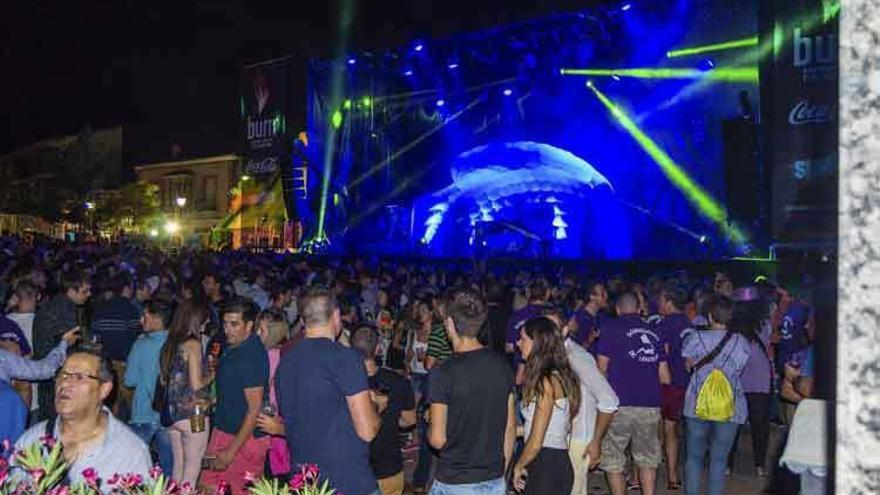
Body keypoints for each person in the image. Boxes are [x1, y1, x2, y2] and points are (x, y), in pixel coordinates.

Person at [276, 286, 384, 495]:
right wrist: (377, 406)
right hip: (347, 481)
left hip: (304, 481)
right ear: (336, 316)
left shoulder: (286, 361)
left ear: (302, 321)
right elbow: (368, 430)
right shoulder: (345, 358)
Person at [14, 346, 152, 488]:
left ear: (104, 389)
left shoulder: (130, 453)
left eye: (80, 377)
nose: (65, 383)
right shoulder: (31, 441)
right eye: (62, 375)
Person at [427, 286, 516, 495]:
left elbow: (437, 440)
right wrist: (500, 474)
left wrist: (431, 423)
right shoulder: (502, 365)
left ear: (449, 323)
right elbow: (510, 428)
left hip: (454, 481)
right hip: (493, 478)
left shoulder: (443, 372)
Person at [596, 292, 672, 495]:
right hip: (649, 404)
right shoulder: (655, 332)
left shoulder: (610, 329)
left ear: (617, 310)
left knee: (613, 460)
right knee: (647, 459)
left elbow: (600, 370)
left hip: (618, 405)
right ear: (639, 310)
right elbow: (665, 377)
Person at [544, 306, 618, 495]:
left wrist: (596, 441)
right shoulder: (548, 357)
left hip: (577, 441)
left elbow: (608, 400)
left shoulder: (577, 357)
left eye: (552, 328)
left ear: (565, 330)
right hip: (557, 439)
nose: (547, 333)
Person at [682, 295, 751, 495]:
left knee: (694, 458)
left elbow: (688, 366)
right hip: (731, 406)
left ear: (710, 316)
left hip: (696, 404)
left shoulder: (695, 338)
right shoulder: (741, 341)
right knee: (719, 460)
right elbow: (739, 369)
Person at [200, 298, 268, 495]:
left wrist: (231, 451)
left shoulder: (251, 355)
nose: (227, 329)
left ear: (249, 325)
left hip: (242, 438)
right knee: (206, 487)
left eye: (234, 324)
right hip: (225, 430)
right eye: (225, 323)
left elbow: (254, 408)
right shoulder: (236, 346)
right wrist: (212, 401)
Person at [512, 316, 581, 495]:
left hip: (546, 464)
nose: (518, 343)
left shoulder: (546, 382)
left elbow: (536, 440)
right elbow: (552, 426)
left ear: (537, 343)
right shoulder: (559, 375)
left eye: (523, 339)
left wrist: (518, 466)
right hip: (553, 461)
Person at [351, 325, 416, 495]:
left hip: (355, 468)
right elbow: (409, 420)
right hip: (389, 466)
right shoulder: (398, 382)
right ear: (378, 349)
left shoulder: (344, 383)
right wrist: (391, 419)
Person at [158, 299, 214, 486]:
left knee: (178, 468)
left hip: (173, 415)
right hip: (193, 414)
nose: (207, 323)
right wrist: (212, 375)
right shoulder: (193, 344)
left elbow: (164, 379)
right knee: (192, 470)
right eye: (205, 319)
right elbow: (197, 384)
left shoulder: (170, 343)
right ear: (196, 320)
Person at [32, 270, 91, 421]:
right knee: (58, 421)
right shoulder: (65, 309)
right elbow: (68, 347)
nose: (89, 294)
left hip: (45, 370)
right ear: (71, 290)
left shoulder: (53, 303)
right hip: (56, 374)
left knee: (48, 420)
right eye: (85, 291)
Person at [124, 301, 173, 477]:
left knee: (133, 466)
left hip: (143, 413)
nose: (141, 320)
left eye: (145, 316)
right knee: (169, 467)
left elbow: (129, 380)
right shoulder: (176, 343)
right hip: (168, 415)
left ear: (155, 318)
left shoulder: (141, 344)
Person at [655, 281, 693, 490]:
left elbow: (664, 354)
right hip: (686, 383)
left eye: (660, 300)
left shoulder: (663, 325)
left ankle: (650, 473)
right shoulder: (689, 323)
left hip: (667, 384)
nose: (658, 304)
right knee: (674, 429)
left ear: (669, 302)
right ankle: (672, 476)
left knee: (661, 429)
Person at [91, 271, 142, 418]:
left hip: (107, 366)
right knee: (133, 411)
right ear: (126, 288)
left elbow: (95, 338)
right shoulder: (131, 310)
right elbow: (137, 338)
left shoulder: (100, 308)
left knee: (109, 410)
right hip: (126, 365)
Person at [253, 308, 291, 479]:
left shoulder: (270, 356)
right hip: (278, 423)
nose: (257, 333)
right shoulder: (285, 352)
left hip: (273, 422)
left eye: (262, 330)